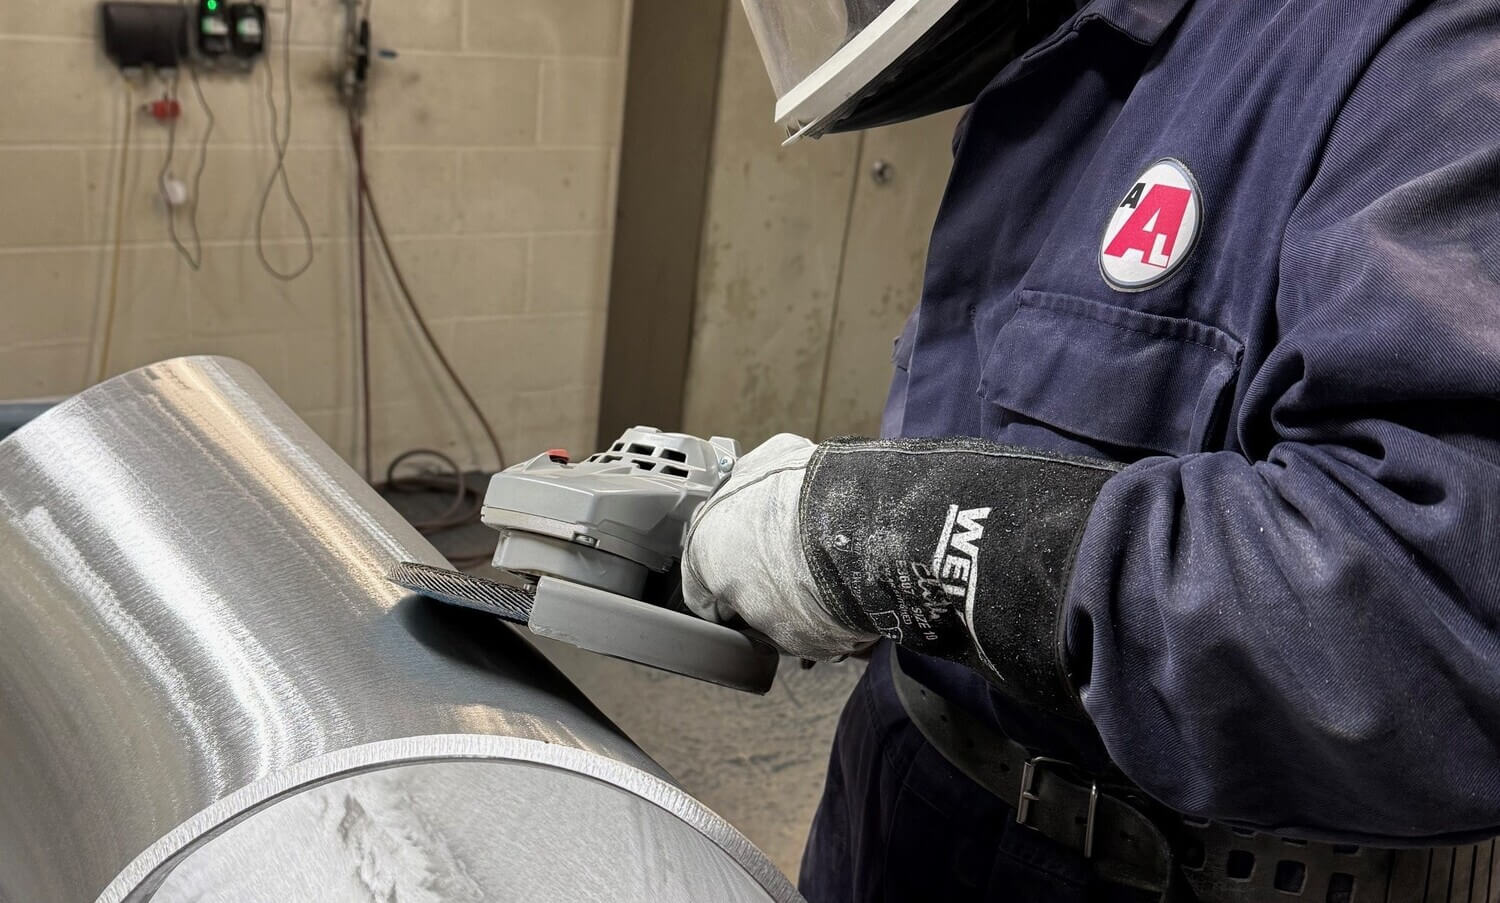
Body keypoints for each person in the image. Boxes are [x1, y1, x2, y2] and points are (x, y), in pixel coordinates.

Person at [682, 0, 1500, 900]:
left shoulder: (1429, 52)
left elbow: (1429, 612)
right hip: (899, 793)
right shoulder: (1051, 56)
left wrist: (885, 539)